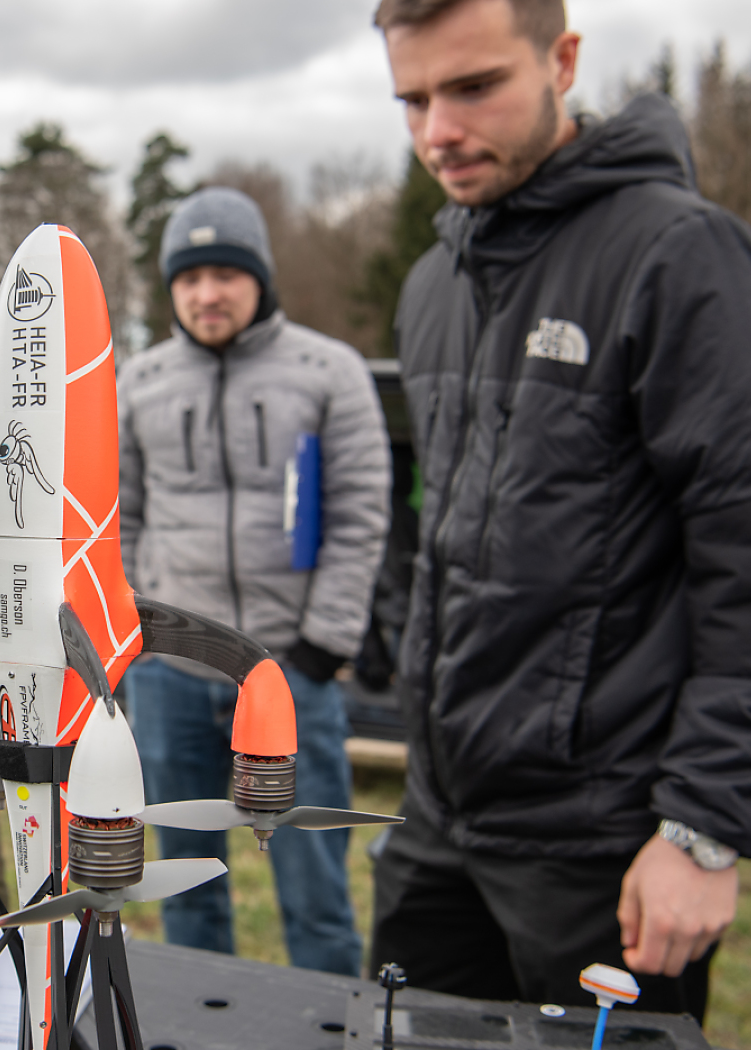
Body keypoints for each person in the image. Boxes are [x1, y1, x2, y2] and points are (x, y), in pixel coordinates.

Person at [371, 0, 751, 1017]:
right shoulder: (431, 282)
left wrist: (701, 827)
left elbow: (738, 553)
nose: (436, 131)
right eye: (411, 99)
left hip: (603, 841)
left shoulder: (678, 256)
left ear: (562, 60)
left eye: (473, 86)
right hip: (437, 823)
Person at [118, 186, 391, 974]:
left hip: (288, 672)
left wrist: (321, 644)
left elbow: (362, 513)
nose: (207, 293)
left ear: (260, 278)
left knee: (314, 888)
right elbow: (121, 518)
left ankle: (327, 1021)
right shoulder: (136, 382)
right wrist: (141, 633)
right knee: (184, 880)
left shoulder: (328, 371)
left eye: (225, 273)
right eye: (189, 275)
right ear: (170, 286)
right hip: (169, 677)